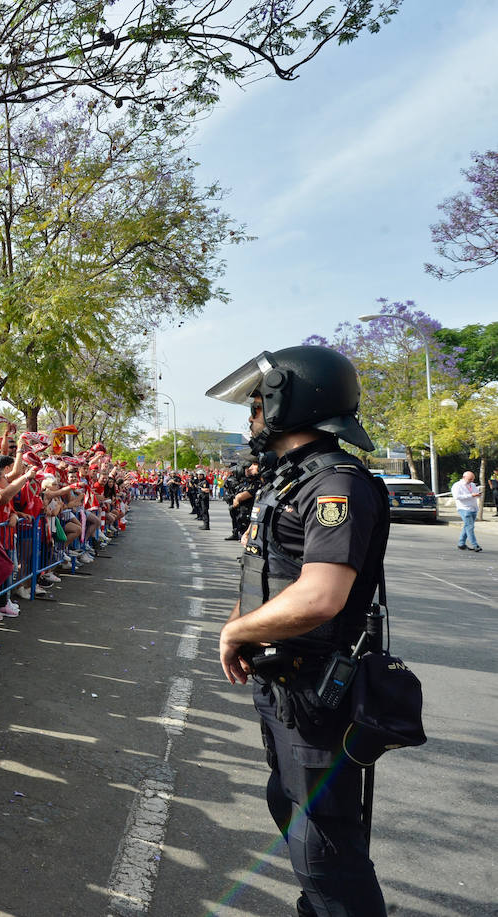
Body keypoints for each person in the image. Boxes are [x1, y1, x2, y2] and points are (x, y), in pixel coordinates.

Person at [208, 345, 390, 917]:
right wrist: (245, 627)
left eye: (260, 403)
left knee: (323, 846)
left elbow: (319, 596)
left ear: (295, 401)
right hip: (282, 684)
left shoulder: (335, 483)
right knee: (290, 808)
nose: (252, 416)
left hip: (317, 687)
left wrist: (234, 633)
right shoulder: (292, 479)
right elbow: (269, 569)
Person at [451, 471, 483, 552]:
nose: (471, 481)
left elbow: (475, 493)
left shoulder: (472, 485)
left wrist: (478, 494)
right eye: (470, 479)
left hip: (473, 508)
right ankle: (475, 545)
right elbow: (457, 497)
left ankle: (461, 543)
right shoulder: (457, 485)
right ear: (464, 477)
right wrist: (471, 495)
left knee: (467, 526)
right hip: (464, 508)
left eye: (472, 479)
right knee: (470, 527)